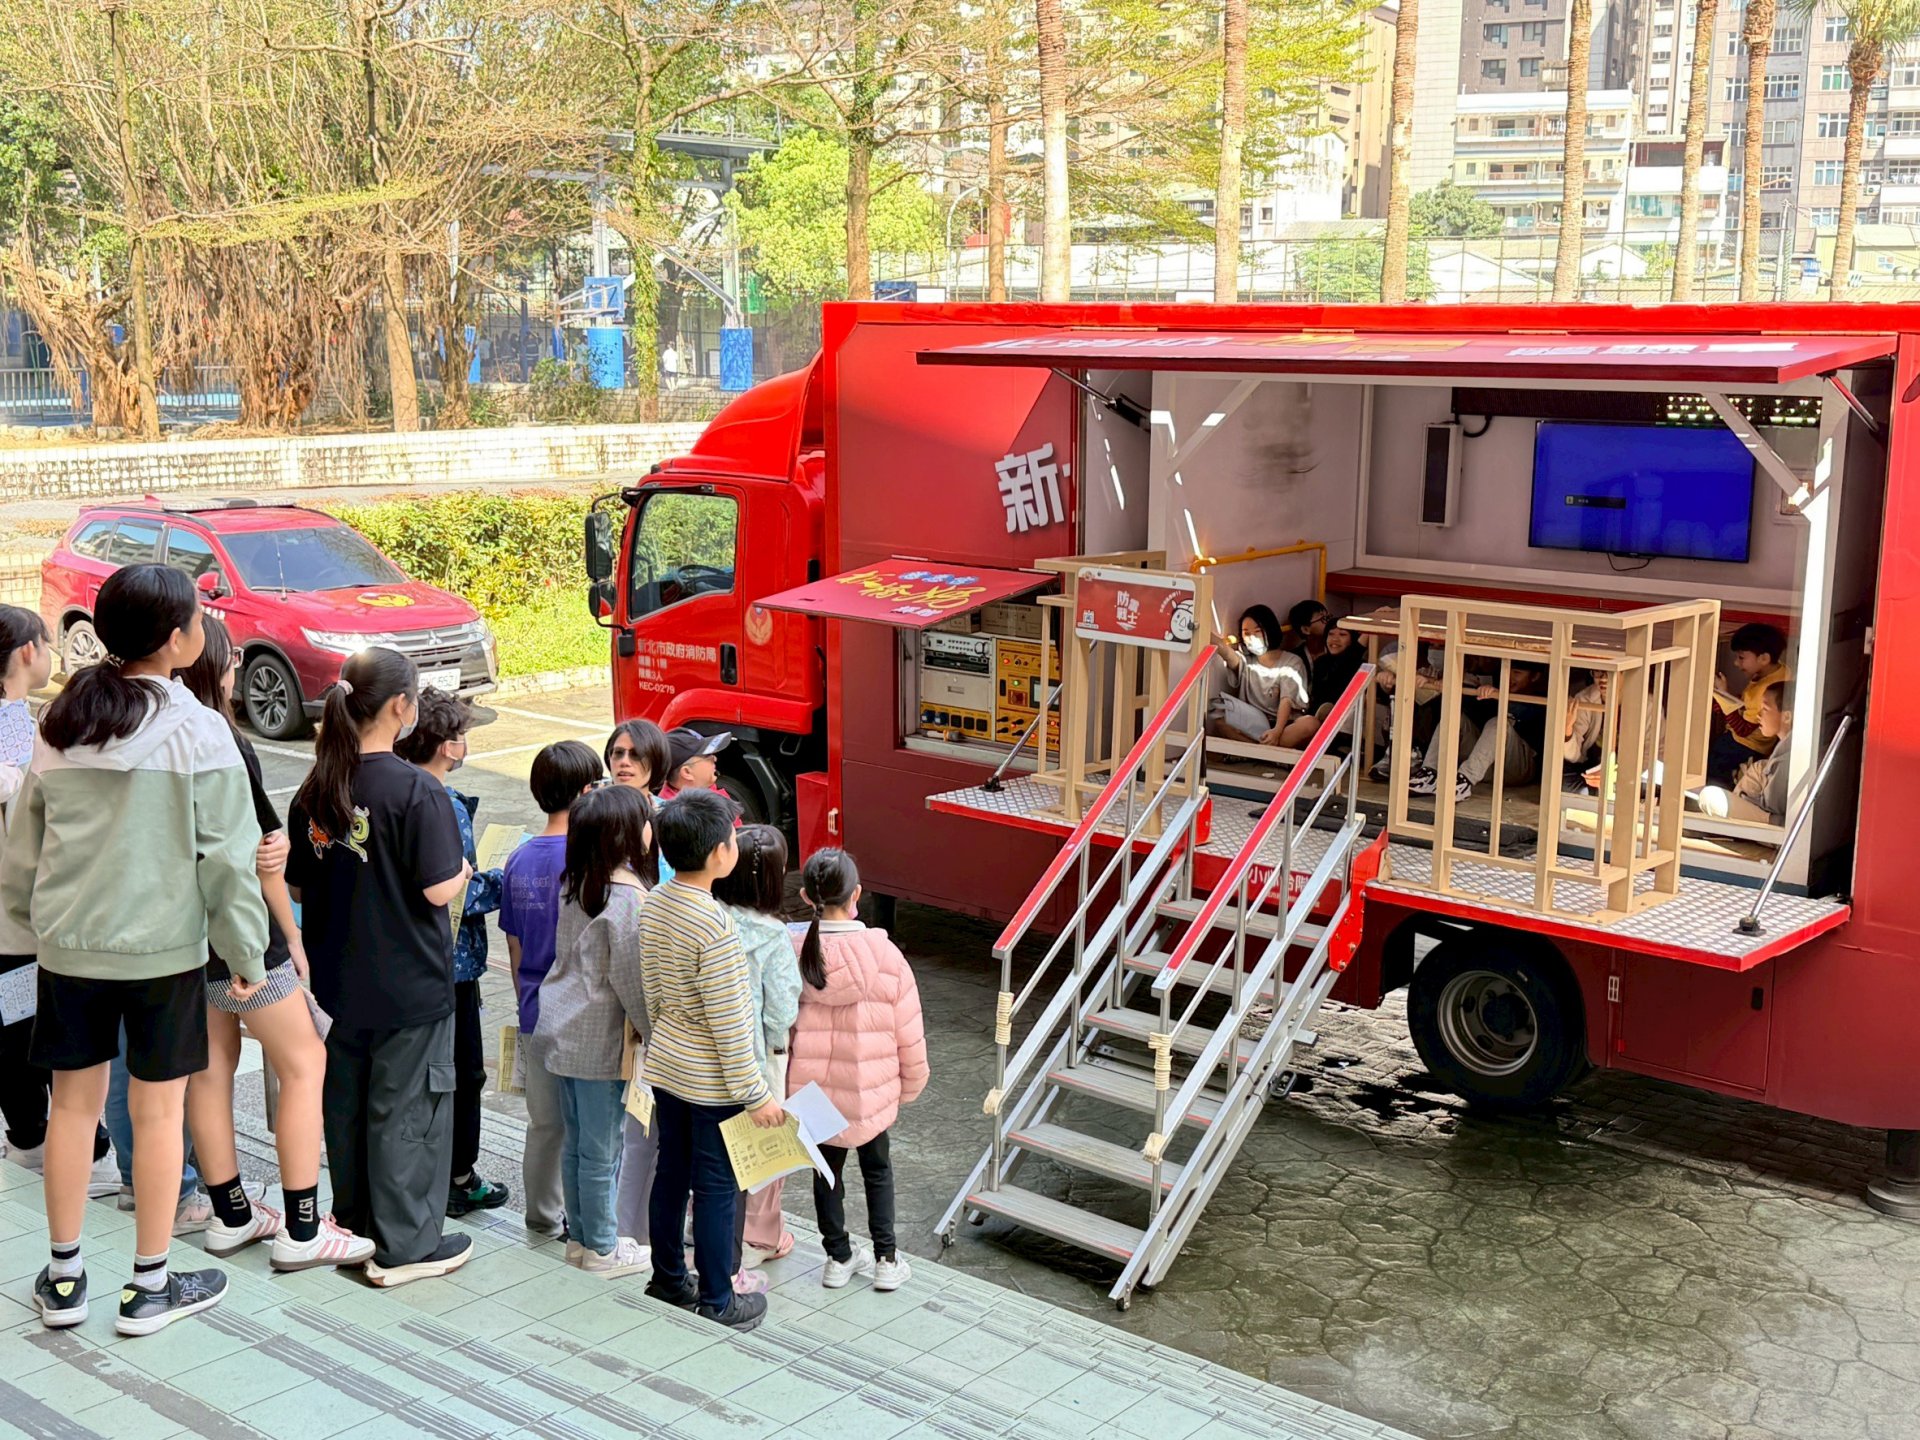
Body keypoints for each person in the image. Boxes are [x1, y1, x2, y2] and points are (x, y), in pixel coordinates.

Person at [1, 564, 268, 1335]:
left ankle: (62, 1280)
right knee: (157, 1116)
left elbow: (25, 850)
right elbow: (227, 860)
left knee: (73, 1113)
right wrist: (246, 956)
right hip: (163, 956)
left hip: (68, 952)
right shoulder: (199, 729)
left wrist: (28, 927)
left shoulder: (60, 724)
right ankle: (149, 1288)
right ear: (177, 638)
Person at [178, 617, 374, 1272]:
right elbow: (262, 857)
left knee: (211, 1067)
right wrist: (289, 936)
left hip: (180, 935)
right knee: (304, 1063)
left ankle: (232, 1215)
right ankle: (301, 1226)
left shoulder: (153, 730)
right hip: (239, 935)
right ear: (220, 665)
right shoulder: (224, 742)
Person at [287, 647, 474, 1288]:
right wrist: (467, 872)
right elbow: (439, 889)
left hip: (337, 984)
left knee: (347, 1106)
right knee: (407, 1112)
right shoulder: (417, 790)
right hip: (409, 984)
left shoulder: (316, 789)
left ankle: (354, 1223)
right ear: (401, 707)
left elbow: (302, 887)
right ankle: (406, 1245)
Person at [638, 789, 785, 1333]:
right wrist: (759, 1095)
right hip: (714, 1083)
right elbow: (731, 1028)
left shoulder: (654, 901)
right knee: (718, 1185)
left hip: (668, 1068)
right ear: (720, 853)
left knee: (671, 1171)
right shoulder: (715, 927)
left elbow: (651, 991)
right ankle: (719, 1297)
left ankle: (669, 1276)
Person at [0, 607, 118, 1198]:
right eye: (45, 643)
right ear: (25, 652)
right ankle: (73, 1149)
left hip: (7, 916)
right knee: (31, 1026)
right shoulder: (17, 724)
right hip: (18, 917)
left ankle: (24, 1136)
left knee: (11, 1021)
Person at [789, 848, 928, 1293]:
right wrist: (910, 1083)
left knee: (825, 1172)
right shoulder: (885, 955)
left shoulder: (793, 952)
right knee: (878, 1169)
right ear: (858, 895)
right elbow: (908, 1028)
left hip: (814, 1095)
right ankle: (886, 1259)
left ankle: (837, 1256)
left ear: (807, 897)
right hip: (870, 1090)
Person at [395, 688, 509, 1220]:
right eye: (461, 736)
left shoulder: (389, 789)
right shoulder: (442, 803)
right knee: (463, 1072)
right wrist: (508, 881)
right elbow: (456, 890)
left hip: (403, 961)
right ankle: (458, 1177)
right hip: (452, 965)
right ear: (446, 747)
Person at [534, 785, 655, 1277]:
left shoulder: (578, 881)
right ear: (627, 834)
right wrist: (653, 1033)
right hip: (602, 1042)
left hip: (562, 1028)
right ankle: (603, 1247)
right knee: (605, 1150)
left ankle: (580, 1238)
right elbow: (632, 982)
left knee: (578, 1143)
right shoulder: (628, 900)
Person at [502, 739, 603, 1242]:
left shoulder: (519, 859)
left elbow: (516, 950)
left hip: (534, 1009)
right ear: (588, 791)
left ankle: (540, 1217)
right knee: (590, 1129)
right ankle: (586, 1223)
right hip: (583, 1015)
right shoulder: (592, 861)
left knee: (544, 1124)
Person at [712, 824, 802, 1275]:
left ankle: (708, 1224)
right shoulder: (772, 936)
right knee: (763, 1149)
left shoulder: (710, 916)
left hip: (707, 1054)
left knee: (712, 1148)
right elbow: (782, 1010)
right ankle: (759, 1236)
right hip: (759, 1059)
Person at [1408, 662, 1550, 803]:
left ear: (1535, 676)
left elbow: (1520, 711)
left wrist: (1495, 696)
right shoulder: (1496, 689)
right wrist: (1436, 682)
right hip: (1485, 765)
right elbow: (1468, 699)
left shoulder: (1542, 698)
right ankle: (1430, 773)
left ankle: (1463, 782)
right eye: (1509, 671)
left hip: (1518, 769)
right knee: (1456, 717)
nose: (1510, 677)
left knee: (1499, 723)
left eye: (1517, 673)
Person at [1206, 605, 1312, 748]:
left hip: (1285, 725)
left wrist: (1277, 731)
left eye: (1257, 631)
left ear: (1270, 630)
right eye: (1246, 633)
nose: (1252, 638)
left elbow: (1286, 700)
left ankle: (1262, 751)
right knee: (1219, 717)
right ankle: (1265, 753)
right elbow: (1224, 650)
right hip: (1255, 724)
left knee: (1309, 724)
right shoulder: (1246, 662)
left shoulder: (1292, 662)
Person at [1698, 681, 1791, 824]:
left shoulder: (1786, 760)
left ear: (1787, 716)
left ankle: (1732, 825)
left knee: (1709, 797)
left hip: (1775, 825)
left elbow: (1771, 806)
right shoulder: (1786, 748)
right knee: (1758, 768)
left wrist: (1746, 800)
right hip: (1766, 809)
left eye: (1765, 709)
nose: (1759, 714)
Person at [1709, 623, 1791, 785]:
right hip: (1763, 742)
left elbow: (1743, 730)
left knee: (1715, 759)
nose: (1736, 663)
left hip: (1747, 744)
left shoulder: (1760, 692)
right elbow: (1749, 705)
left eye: (1741, 658)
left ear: (1764, 658)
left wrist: (1726, 701)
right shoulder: (1782, 670)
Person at [661, 727, 734, 801]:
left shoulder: (704, 790)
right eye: (707, 756)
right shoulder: (690, 811)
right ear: (687, 772)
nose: (715, 759)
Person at [606, 720, 671, 795]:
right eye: (618, 753)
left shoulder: (669, 806)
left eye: (636, 754)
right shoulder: (592, 805)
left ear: (657, 761)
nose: (624, 761)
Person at [1288, 599, 1331, 666]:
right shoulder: (1292, 659)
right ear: (1305, 630)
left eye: (1329, 617)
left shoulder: (1339, 652)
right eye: (1323, 618)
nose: (1330, 622)